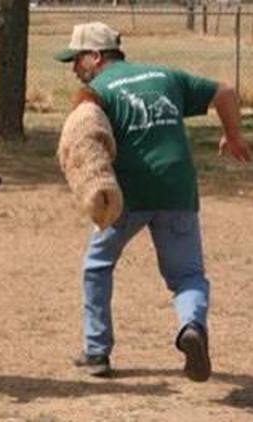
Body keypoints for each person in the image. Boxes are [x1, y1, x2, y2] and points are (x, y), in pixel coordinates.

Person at [54, 22, 251, 381]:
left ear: (96, 56)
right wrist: (233, 135)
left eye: (77, 59)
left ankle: (96, 351)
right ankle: (192, 327)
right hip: (177, 188)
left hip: (126, 195)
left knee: (97, 265)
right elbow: (225, 92)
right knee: (187, 274)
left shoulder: (97, 89)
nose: (74, 68)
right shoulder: (165, 74)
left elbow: (83, 119)